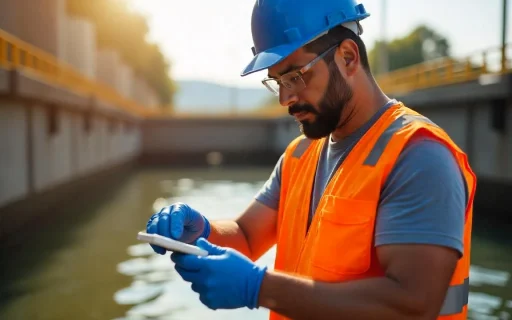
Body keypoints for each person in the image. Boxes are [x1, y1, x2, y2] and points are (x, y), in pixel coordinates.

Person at [146, 0, 477, 319]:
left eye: (295, 76)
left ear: (348, 57)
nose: (284, 97)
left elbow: (411, 305)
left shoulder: (418, 156)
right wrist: (202, 231)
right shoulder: (300, 155)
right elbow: (246, 236)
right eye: (276, 81)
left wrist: (258, 288)